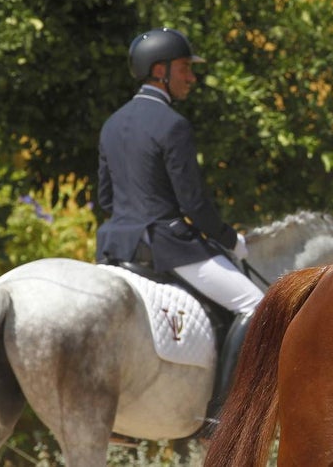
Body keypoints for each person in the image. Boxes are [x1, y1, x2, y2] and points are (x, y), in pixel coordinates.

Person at [95, 27, 262, 425]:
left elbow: (103, 199)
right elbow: (194, 205)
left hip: (116, 249)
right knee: (255, 306)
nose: (192, 77)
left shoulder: (111, 125)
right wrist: (230, 239)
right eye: (186, 68)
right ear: (160, 70)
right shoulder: (173, 124)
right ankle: (223, 415)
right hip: (167, 246)